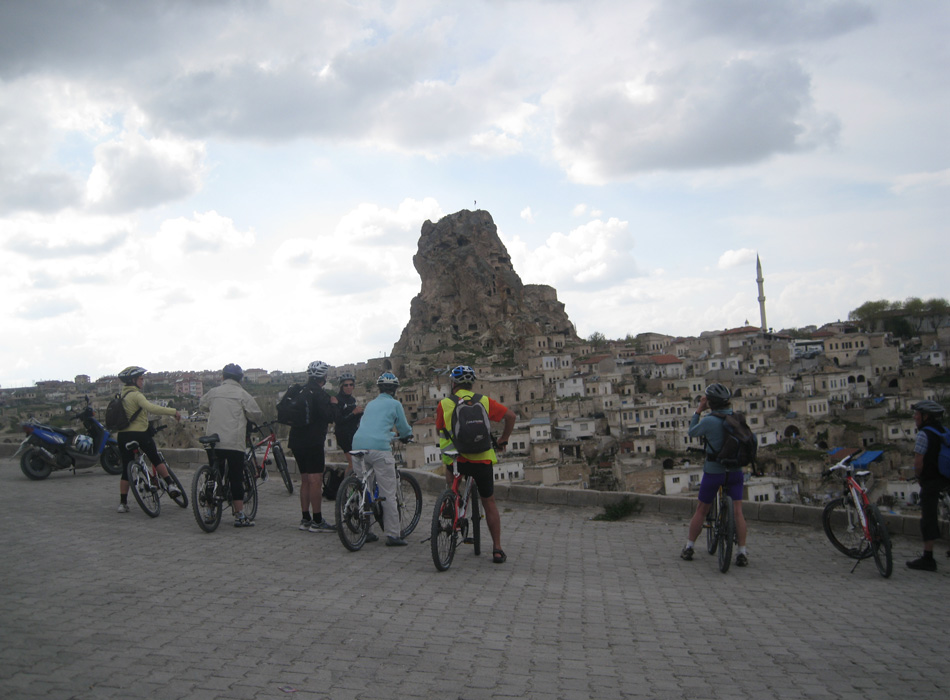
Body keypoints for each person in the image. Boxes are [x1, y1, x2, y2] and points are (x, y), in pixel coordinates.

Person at [436, 365, 516, 564]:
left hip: (457, 459)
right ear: (471, 384)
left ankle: (450, 501)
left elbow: (440, 430)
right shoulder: (484, 401)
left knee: (450, 473)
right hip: (482, 458)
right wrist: (503, 439)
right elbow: (511, 416)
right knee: (489, 502)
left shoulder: (445, 403)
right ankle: (497, 549)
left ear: (453, 383)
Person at [681, 383, 750, 566]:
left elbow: (692, 432)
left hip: (713, 472)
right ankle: (742, 552)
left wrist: (699, 410)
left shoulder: (709, 421)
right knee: (738, 511)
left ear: (710, 402)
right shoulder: (738, 419)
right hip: (735, 472)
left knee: (702, 509)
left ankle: (689, 547)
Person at [350, 372, 413, 546]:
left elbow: (374, 427)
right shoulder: (395, 404)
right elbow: (404, 428)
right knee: (388, 493)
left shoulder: (370, 404)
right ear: (395, 389)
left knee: (364, 488)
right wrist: (406, 435)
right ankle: (393, 535)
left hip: (357, 445)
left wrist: (389, 435)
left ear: (379, 389)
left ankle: (366, 531)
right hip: (379, 450)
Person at [198, 364, 263, 527]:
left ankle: (209, 511)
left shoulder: (213, 392)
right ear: (240, 379)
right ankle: (239, 515)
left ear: (222, 377)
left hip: (214, 442)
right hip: (234, 442)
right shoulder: (243, 394)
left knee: (213, 475)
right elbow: (256, 414)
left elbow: (202, 405)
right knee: (236, 477)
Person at [114, 366, 182, 513]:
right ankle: (170, 484)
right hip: (139, 433)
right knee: (155, 458)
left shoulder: (121, 396)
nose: (142, 381)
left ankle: (123, 503)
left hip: (123, 436)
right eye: (140, 379)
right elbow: (151, 408)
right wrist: (173, 411)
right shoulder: (136, 395)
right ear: (133, 380)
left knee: (126, 469)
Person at [289, 360, 339, 532]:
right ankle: (317, 521)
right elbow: (329, 417)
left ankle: (305, 519)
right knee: (315, 480)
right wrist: (334, 404)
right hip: (313, 441)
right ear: (323, 377)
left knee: (305, 480)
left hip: (296, 440)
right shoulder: (320, 394)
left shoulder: (300, 391)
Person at [906, 400, 950, 572]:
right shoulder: (944, 431)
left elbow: (919, 462)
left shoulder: (924, 434)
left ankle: (928, 557)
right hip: (946, 477)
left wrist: (919, 477)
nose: (915, 417)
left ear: (926, 416)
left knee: (929, 517)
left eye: (917, 414)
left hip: (931, 480)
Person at [334, 371, 364, 476]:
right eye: (346, 385)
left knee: (358, 463)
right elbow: (338, 420)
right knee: (352, 463)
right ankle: (345, 485)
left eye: (351, 385)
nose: (349, 387)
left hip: (353, 433)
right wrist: (353, 413)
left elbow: (355, 418)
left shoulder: (352, 399)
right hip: (343, 434)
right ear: (341, 386)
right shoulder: (337, 400)